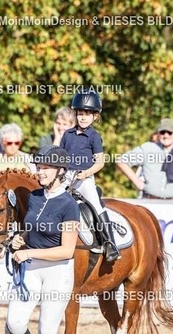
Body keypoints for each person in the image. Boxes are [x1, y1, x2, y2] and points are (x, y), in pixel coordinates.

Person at [9, 145, 80, 334]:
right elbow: (30, 229)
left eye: (46, 168)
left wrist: (29, 253)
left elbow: (67, 250)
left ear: (60, 171)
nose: (40, 171)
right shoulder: (35, 196)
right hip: (31, 269)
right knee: (15, 323)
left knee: (46, 331)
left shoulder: (69, 205)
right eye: (39, 167)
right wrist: (19, 239)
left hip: (57, 272)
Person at [57, 90, 120, 262]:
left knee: (96, 205)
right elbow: (61, 157)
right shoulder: (67, 134)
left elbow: (100, 163)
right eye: (80, 113)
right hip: (66, 177)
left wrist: (85, 173)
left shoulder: (94, 137)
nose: (83, 117)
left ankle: (110, 243)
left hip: (84, 178)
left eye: (87, 114)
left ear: (95, 116)